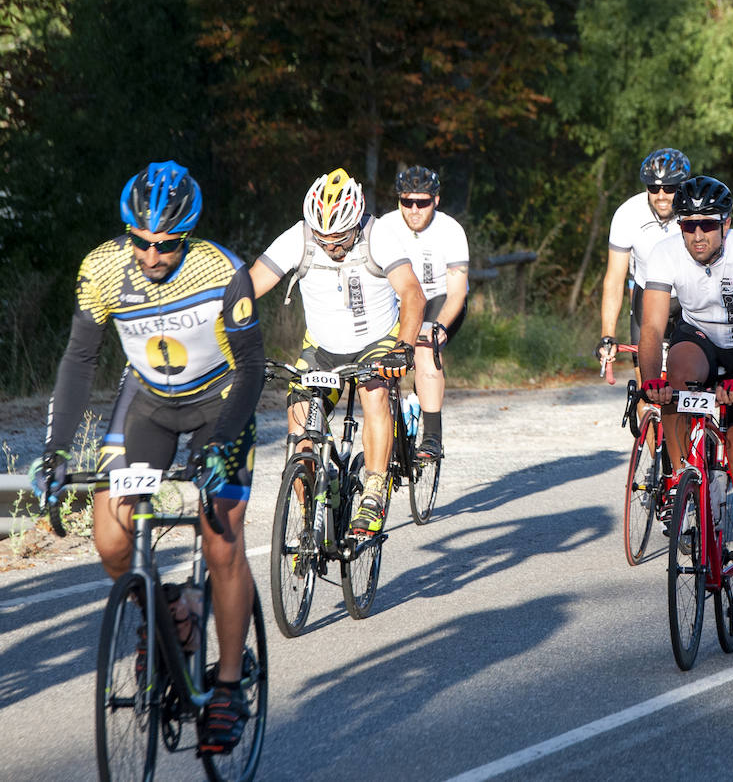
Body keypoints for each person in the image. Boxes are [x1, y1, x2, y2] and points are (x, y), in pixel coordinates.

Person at [30, 162, 264, 752]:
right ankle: (171, 614)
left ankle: (229, 687)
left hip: (219, 402)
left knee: (221, 537)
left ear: (185, 236)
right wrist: (56, 452)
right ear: (127, 231)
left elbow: (254, 367)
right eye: (140, 240)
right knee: (111, 539)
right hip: (149, 404)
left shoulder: (223, 270)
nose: (152, 254)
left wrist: (219, 447)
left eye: (165, 244)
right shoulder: (103, 268)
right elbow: (80, 361)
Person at [638, 176, 733, 633]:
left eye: (706, 225)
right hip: (699, 338)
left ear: (726, 222)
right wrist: (649, 384)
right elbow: (651, 332)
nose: (697, 235)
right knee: (675, 374)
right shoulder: (665, 253)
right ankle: (684, 479)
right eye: (688, 226)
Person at [249, 168, 424, 534]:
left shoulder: (380, 236)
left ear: (357, 222)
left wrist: (404, 349)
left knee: (374, 393)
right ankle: (307, 517)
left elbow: (411, 293)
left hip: (377, 340)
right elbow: (248, 287)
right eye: (322, 237)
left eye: (339, 237)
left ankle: (374, 491)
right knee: (299, 420)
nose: (330, 246)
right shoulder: (299, 238)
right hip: (323, 347)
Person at [374, 165, 469, 460]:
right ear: (399, 201)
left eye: (423, 202)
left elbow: (457, 293)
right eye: (407, 202)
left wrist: (439, 326)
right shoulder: (383, 227)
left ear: (435, 201)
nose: (414, 209)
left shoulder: (451, 230)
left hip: (439, 301)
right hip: (399, 300)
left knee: (425, 350)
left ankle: (432, 438)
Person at [597, 148, 690, 376]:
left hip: (690, 298)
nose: (661, 195)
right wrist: (607, 336)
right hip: (647, 296)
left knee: (689, 379)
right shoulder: (628, 214)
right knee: (646, 385)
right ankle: (647, 411)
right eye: (653, 187)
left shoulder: (695, 211)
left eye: (669, 188)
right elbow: (615, 279)